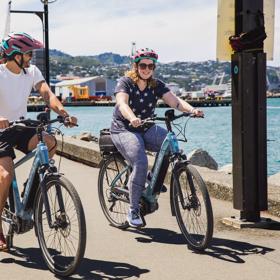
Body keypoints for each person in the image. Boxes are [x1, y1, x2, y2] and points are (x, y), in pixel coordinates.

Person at [0, 32, 77, 251]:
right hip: (1, 130)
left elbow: (46, 93)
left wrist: (63, 113)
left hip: (21, 126)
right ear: (15, 55)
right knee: (5, 176)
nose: (31, 57)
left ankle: (32, 187)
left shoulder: (31, 71)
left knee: (50, 142)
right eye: (28, 53)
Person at [110, 48, 204, 227]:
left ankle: (151, 177)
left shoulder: (156, 84)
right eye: (143, 65)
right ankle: (133, 209)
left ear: (154, 68)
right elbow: (121, 103)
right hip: (124, 129)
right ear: (136, 66)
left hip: (146, 126)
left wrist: (192, 110)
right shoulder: (126, 82)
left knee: (171, 144)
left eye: (150, 66)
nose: (146, 69)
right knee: (140, 160)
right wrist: (131, 117)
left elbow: (175, 101)